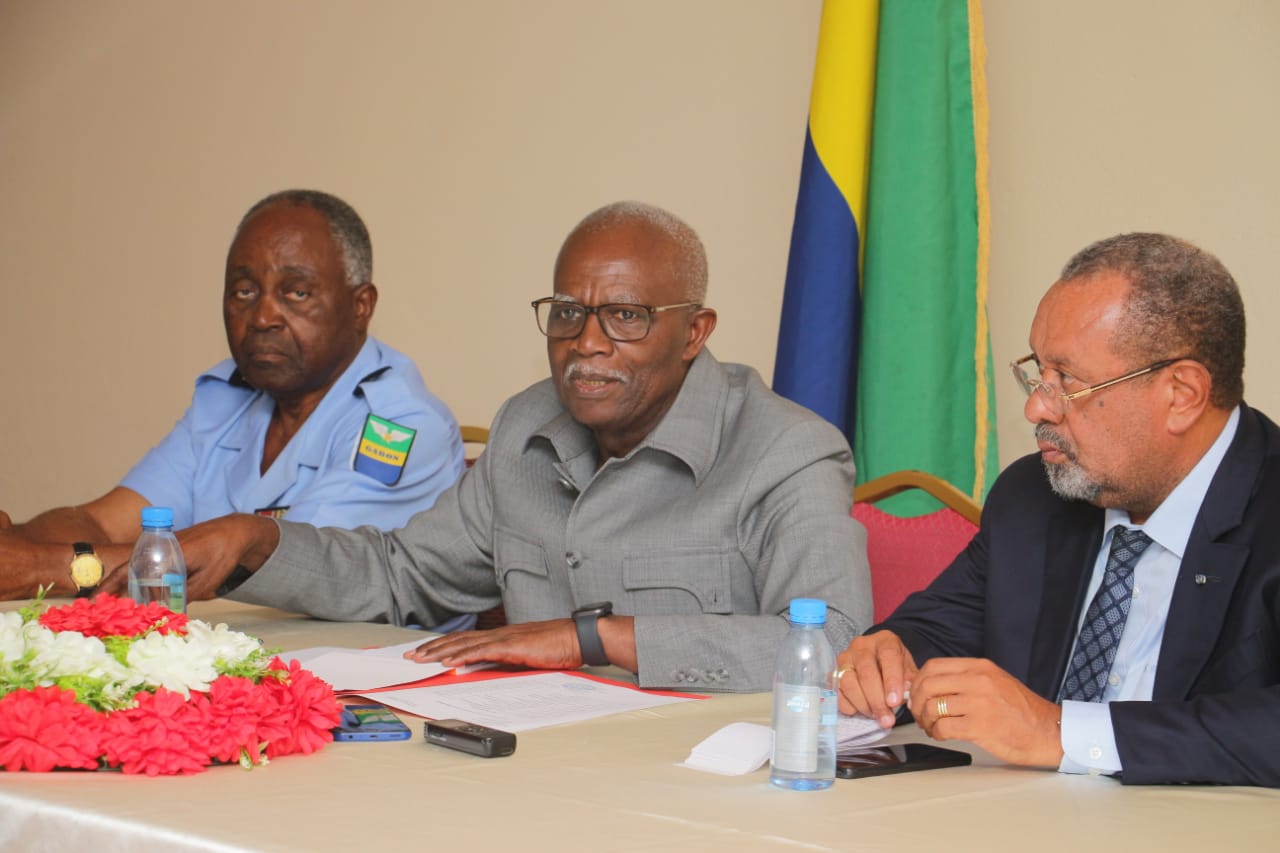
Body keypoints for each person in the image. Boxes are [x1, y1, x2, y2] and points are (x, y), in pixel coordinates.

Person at [163, 201, 873, 692]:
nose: (586, 342)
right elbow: (401, 575)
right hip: (528, 766)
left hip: (697, 790)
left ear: (694, 332)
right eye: (567, 313)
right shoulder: (525, 427)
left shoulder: (787, 451)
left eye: (626, 316)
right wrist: (256, 541)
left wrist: (594, 637)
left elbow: (833, 642)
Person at [837, 233, 1280, 787]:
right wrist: (889, 654)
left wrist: (1058, 733)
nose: (1035, 407)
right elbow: (938, 631)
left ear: (1182, 394)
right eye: (1037, 371)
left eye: (1067, 381)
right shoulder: (1035, 495)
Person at [0, 189, 464, 602]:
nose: (262, 317)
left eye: (296, 293)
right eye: (243, 291)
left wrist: (44, 567)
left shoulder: (400, 426)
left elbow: (285, 573)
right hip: (226, 651)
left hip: (358, 663)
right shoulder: (228, 398)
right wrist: (17, 544)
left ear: (361, 306)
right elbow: (102, 523)